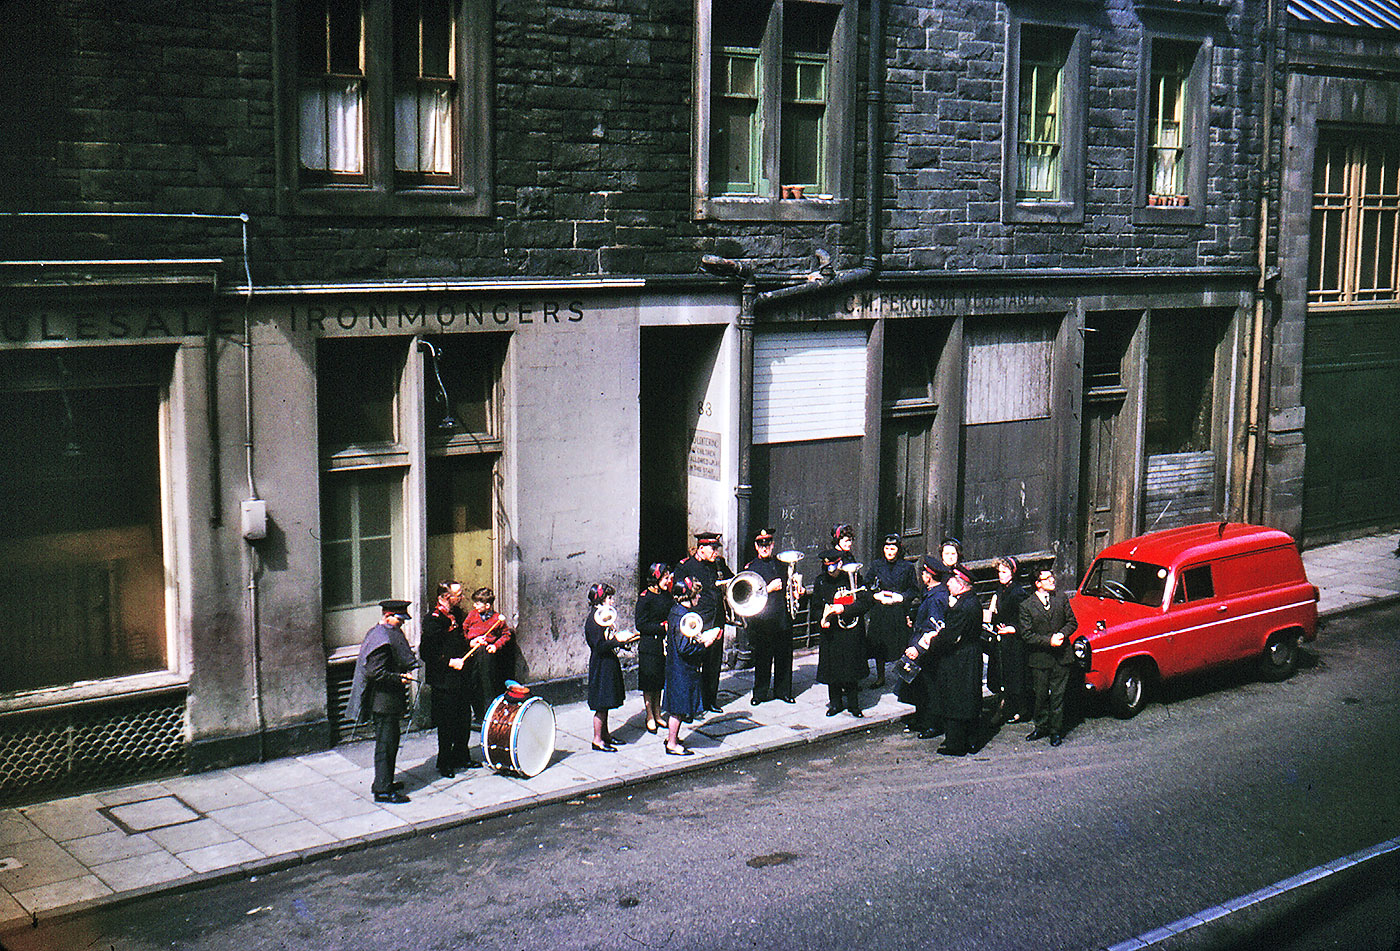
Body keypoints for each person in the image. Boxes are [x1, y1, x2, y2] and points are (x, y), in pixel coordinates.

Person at [345, 599, 419, 803]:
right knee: (386, 745)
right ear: (387, 616)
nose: (402, 623)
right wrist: (399, 677)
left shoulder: (379, 633)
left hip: (387, 701)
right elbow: (375, 673)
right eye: (399, 619)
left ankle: (384, 781)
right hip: (383, 701)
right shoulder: (381, 639)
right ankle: (383, 790)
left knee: (390, 743)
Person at [419, 581, 480, 778]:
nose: (461, 598)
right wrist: (449, 663)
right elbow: (426, 653)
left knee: (463, 717)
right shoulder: (433, 621)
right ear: (444, 597)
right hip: (444, 680)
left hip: (461, 677)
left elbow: (460, 639)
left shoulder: (458, 615)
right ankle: (444, 761)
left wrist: (471, 642)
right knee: (446, 722)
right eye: (458, 595)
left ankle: (462, 755)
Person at [927, 568, 985, 756]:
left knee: (956, 699)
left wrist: (932, 640)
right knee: (970, 698)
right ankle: (972, 740)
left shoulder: (962, 607)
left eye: (950, 582)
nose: (947, 585)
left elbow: (951, 636)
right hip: (970, 654)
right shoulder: (971, 601)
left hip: (959, 659)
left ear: (960, 585)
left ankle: (956, 744)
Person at [1018, 567, 1079, 747]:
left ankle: (1055, 731)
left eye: (1052, 576)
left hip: (1062, 657)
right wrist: (1048, 641)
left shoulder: (1061, 599)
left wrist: (1062, 634)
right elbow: (1027, 634)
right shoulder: (1027, 606)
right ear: (1038, 584)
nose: (1052, 580)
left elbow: (1072, 622)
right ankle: (1041, 726)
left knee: (1058, 696)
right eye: (1047, 578)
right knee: (1040, 695)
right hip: (1040, 658)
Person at [675, 531, 732, 713]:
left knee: (713, 662)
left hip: (717, 620)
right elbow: (678, 594)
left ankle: (710, 700)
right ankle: (692, 702)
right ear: (701, 548)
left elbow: (732, 579)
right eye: (712, 548)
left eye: (717, 548)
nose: (716, 552)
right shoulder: (686, 567)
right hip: (697, 622)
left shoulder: (718, 563)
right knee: (694, 663)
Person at [813, 548, 872, 717]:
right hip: (831, 632)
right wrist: (822, 619)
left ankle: (854, 705)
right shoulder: (821, 582)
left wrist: (844, 609)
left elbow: (866, 602)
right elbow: (816, 607)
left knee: (851, 668)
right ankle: (835, 704)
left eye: (834, 567)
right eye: (827, 567)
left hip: (851, 631)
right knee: (833, 669)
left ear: (840, 564)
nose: (831, 571)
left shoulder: (853, 578)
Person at [663, 577, 718, 755]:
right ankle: (672, 743)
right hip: (682, 669)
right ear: (688, 596)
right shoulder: (684, 617)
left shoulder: (675, 611)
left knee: (676, 707)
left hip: (675, 667)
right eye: (697, 594)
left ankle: (672, 736)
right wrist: (706, 644)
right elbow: (684, 647)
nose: (699, 597)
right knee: (678, 709)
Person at [898, 555, 949, 738]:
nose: (922, 575)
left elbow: (933, 628)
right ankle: (921, 719)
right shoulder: (931, 591)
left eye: (924, 572)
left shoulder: (937, 597)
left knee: (930, 688)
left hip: (928, 650)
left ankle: (932, 724)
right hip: (921, 644)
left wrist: (918, 649)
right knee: (919, 686)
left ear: (929, 575)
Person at [743, 527, 794, 705]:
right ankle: (760, 693)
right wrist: (768, 588)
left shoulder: (781, 564)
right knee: (763, 658)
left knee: (784, 657)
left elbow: (789, 587)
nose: (764, 547)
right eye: (761, 544)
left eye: (768, 544)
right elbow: (746, 594)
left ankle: (783, 691)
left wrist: (798, 590)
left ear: (772, 545)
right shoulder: (751, 568)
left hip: (781, 617)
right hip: (762, 621)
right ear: (756, 547)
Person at [864, 534, 919, 689]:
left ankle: (904, 677)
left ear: (898, 549)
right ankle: (880, 677)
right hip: (880, 611)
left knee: (902, 645)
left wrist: (900, 598)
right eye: (887, 548)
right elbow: (866, 585)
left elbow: (913, 590)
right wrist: (876, 595)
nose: (889, 551)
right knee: (879, 646)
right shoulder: (876, 565)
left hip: (898, 612)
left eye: (892, 548)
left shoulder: (907, 567)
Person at [985, 556, 1031, 724]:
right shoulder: (1001, 589)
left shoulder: (1018, 592)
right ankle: (1006, 705)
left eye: (1004, 572)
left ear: (1013, 573)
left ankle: (1018, 708)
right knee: (1003, 674)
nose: (1001, 575)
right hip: (1001, 639)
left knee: (1014, 675)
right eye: (999, 572)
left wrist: (1014, 628)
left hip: (1014, 641)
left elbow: (1026, 617)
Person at [584, 582, 628, 752]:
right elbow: (599, 646)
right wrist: (617, 641)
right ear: (600, 600)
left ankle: (606, 734)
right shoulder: (594, 620)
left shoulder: (603, 616)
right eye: (609, 598)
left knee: (607, 701)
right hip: (601, 664)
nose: (612, 601)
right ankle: (597, 740)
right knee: (601, 704)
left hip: (607, 662)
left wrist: (622, 643)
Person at [463, 587, 512, 728]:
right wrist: (471, 640)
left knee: (487, 684)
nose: (474, 606)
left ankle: (488, 717)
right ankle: (477, 715)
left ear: (487, 605)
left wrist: (495, 645)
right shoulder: (472, 615)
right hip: (472, 652)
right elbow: (464, 630)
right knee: (473, 683)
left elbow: (506, 635)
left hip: (487, 655)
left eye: (478, 603)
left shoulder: (497, 619)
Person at [634, 562, 674, 733]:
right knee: (649, 683)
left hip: (662, 645)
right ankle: (649, 715)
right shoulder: (645, 598)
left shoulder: (666, 596)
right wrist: (661, 627)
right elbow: (640, 625)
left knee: (659, 681)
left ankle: (658, 713)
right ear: (655, 578)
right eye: (665, 578)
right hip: (649, 646)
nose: (668, 581)